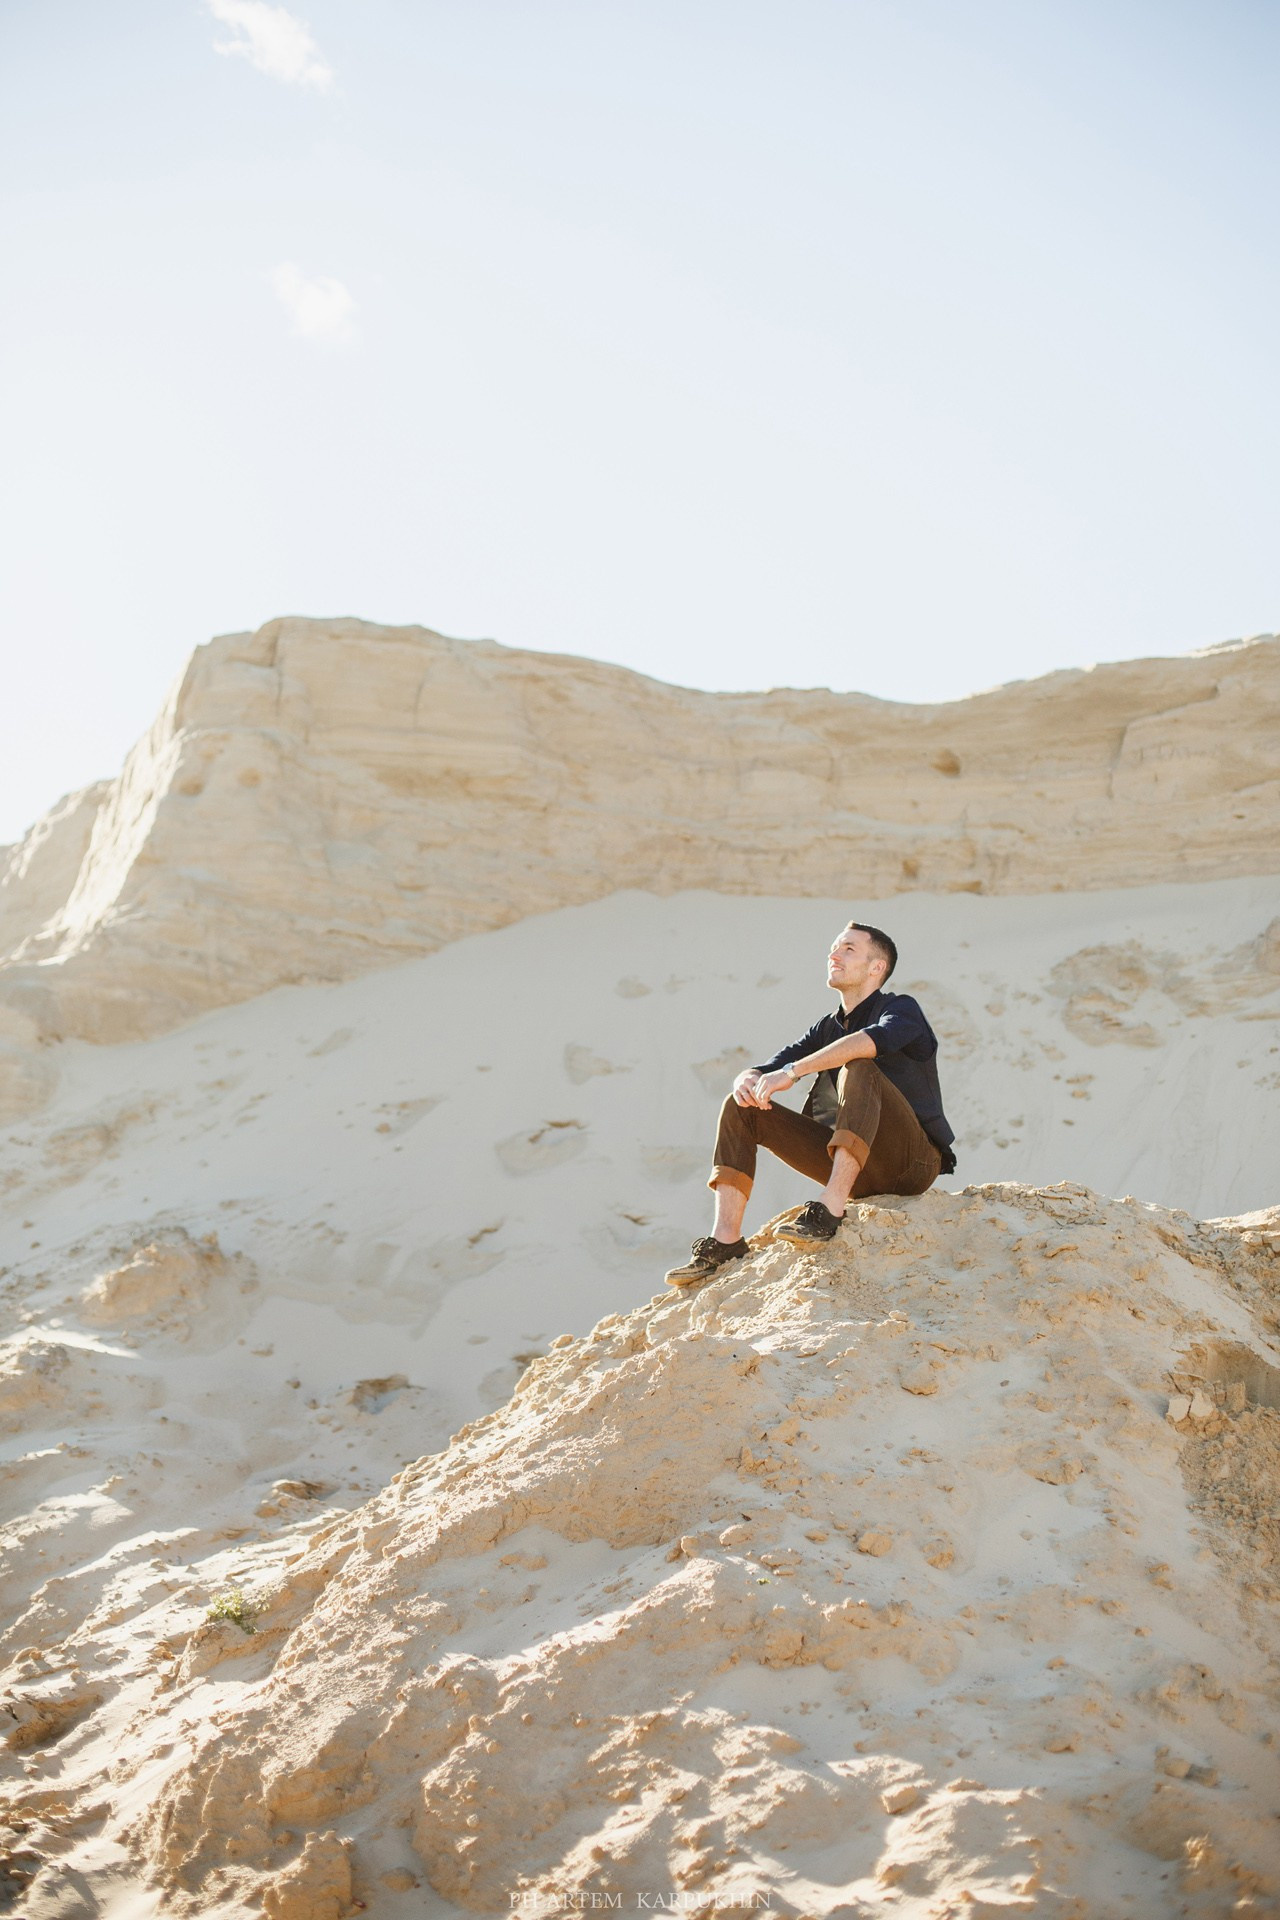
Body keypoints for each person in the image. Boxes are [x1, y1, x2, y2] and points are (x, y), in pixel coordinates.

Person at [664, 922, 956, 1286]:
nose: (834, 954)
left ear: (876, 967)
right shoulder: (827, 1027)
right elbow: (769, 1066)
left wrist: (793, 1071)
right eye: (834, 948)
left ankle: (830, 1210)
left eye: (848, 949)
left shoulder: (901, 1008)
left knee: (860, 1065)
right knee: (741, 1106)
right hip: (862, 1174)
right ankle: (725, 1243)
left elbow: (869, 1041)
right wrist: (747, 1077)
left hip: (912, 1165)